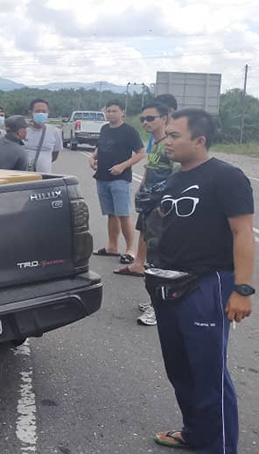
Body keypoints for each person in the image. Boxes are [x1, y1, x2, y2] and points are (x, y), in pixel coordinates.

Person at [148, 109, 254, 454]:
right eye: (167, 135)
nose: (167, 141)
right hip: (168, 284)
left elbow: (243, 233)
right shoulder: (174, 179)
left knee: (209, 377)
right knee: (180, 370)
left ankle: (220, 451)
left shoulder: (226, 177)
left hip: (208, 286)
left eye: (175, 136)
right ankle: (195, 433)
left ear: (200, 140)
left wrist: (242, 289)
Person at [114, 102, 177, 326]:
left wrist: (164, 207)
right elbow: (152, 168)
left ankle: (160, 306)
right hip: (150, 204)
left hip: (162, 208)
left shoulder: (171, 145)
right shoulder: (156, 142)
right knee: (152, 257)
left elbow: (177, 178)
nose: (146, 123)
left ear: (164, 118)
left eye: (150, 118)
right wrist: (142, 190)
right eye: (143, 119)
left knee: (160, 258)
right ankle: (155, 299)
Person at [89, 100, 146, 265]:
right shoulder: (104, 129)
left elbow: (141, 153)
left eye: (114, 111)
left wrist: (122, 166)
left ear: (122, 112)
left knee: (123, 214)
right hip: (102, 177)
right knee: (111, 214)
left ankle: (130, 250)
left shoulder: (129, 131)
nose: (111, 114)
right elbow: (100, 147)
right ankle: (112, 247)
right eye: (108, 111)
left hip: (120, 179)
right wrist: (93, 158)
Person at [23, 98, 63, 173]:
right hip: (23, 176)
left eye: (44, 111)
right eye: (37, 111)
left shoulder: (54, 132)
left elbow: (54, 155)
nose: (41, 114)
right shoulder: (23, 131)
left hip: (44, 178)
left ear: (48, 113)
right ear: (30, 113)